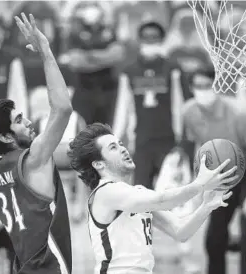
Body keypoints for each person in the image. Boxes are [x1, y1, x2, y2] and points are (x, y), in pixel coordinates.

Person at [68, 122, 238, 273]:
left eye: (120, 143)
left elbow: (180, 231)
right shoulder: (105, 193)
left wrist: (206, 206)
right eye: (113, 147)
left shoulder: (138, 193)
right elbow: (162, 200)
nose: (123, 148)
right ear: (98, 164)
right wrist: (199, 184)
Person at [0, 13, 73, 274]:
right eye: (19, 120)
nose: (28, 121)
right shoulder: (34, 159)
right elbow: (62, 108)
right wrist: (46, 52)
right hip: (47, 268)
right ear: (6, 137)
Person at [181, 67, 246, 274]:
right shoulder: (189, 111)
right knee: (214, 240)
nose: (202, 90)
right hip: (221, 179)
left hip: (244, 174)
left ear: (216, 86)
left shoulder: (237, 114)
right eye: (197, 86)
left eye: (207, 86)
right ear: (191, 88)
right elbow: (196, 144)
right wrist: (196, 182)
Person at [118, 17, 191, 189]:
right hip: (142, 140)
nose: (150, 41)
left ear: (162, 39)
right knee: (142, 190)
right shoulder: (129, 71)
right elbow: (123, 108)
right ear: (140, 39)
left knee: (171, 191)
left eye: (155, 37)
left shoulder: (172, 68)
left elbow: (180, 105)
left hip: (169, 138)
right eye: (146, 36)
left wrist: (182, 138)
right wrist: (118, 136)